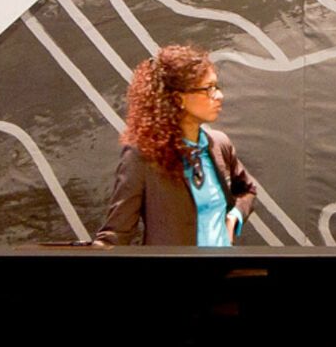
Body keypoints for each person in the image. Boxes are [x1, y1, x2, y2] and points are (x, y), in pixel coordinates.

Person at [97, 44, 258, 246]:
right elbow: (117, 233)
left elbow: (248, 190)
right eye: (208, 89)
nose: (219, 96)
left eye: (217, 87)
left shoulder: (219, 144)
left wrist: (234, 215)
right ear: (178, 98)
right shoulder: (143, 156)